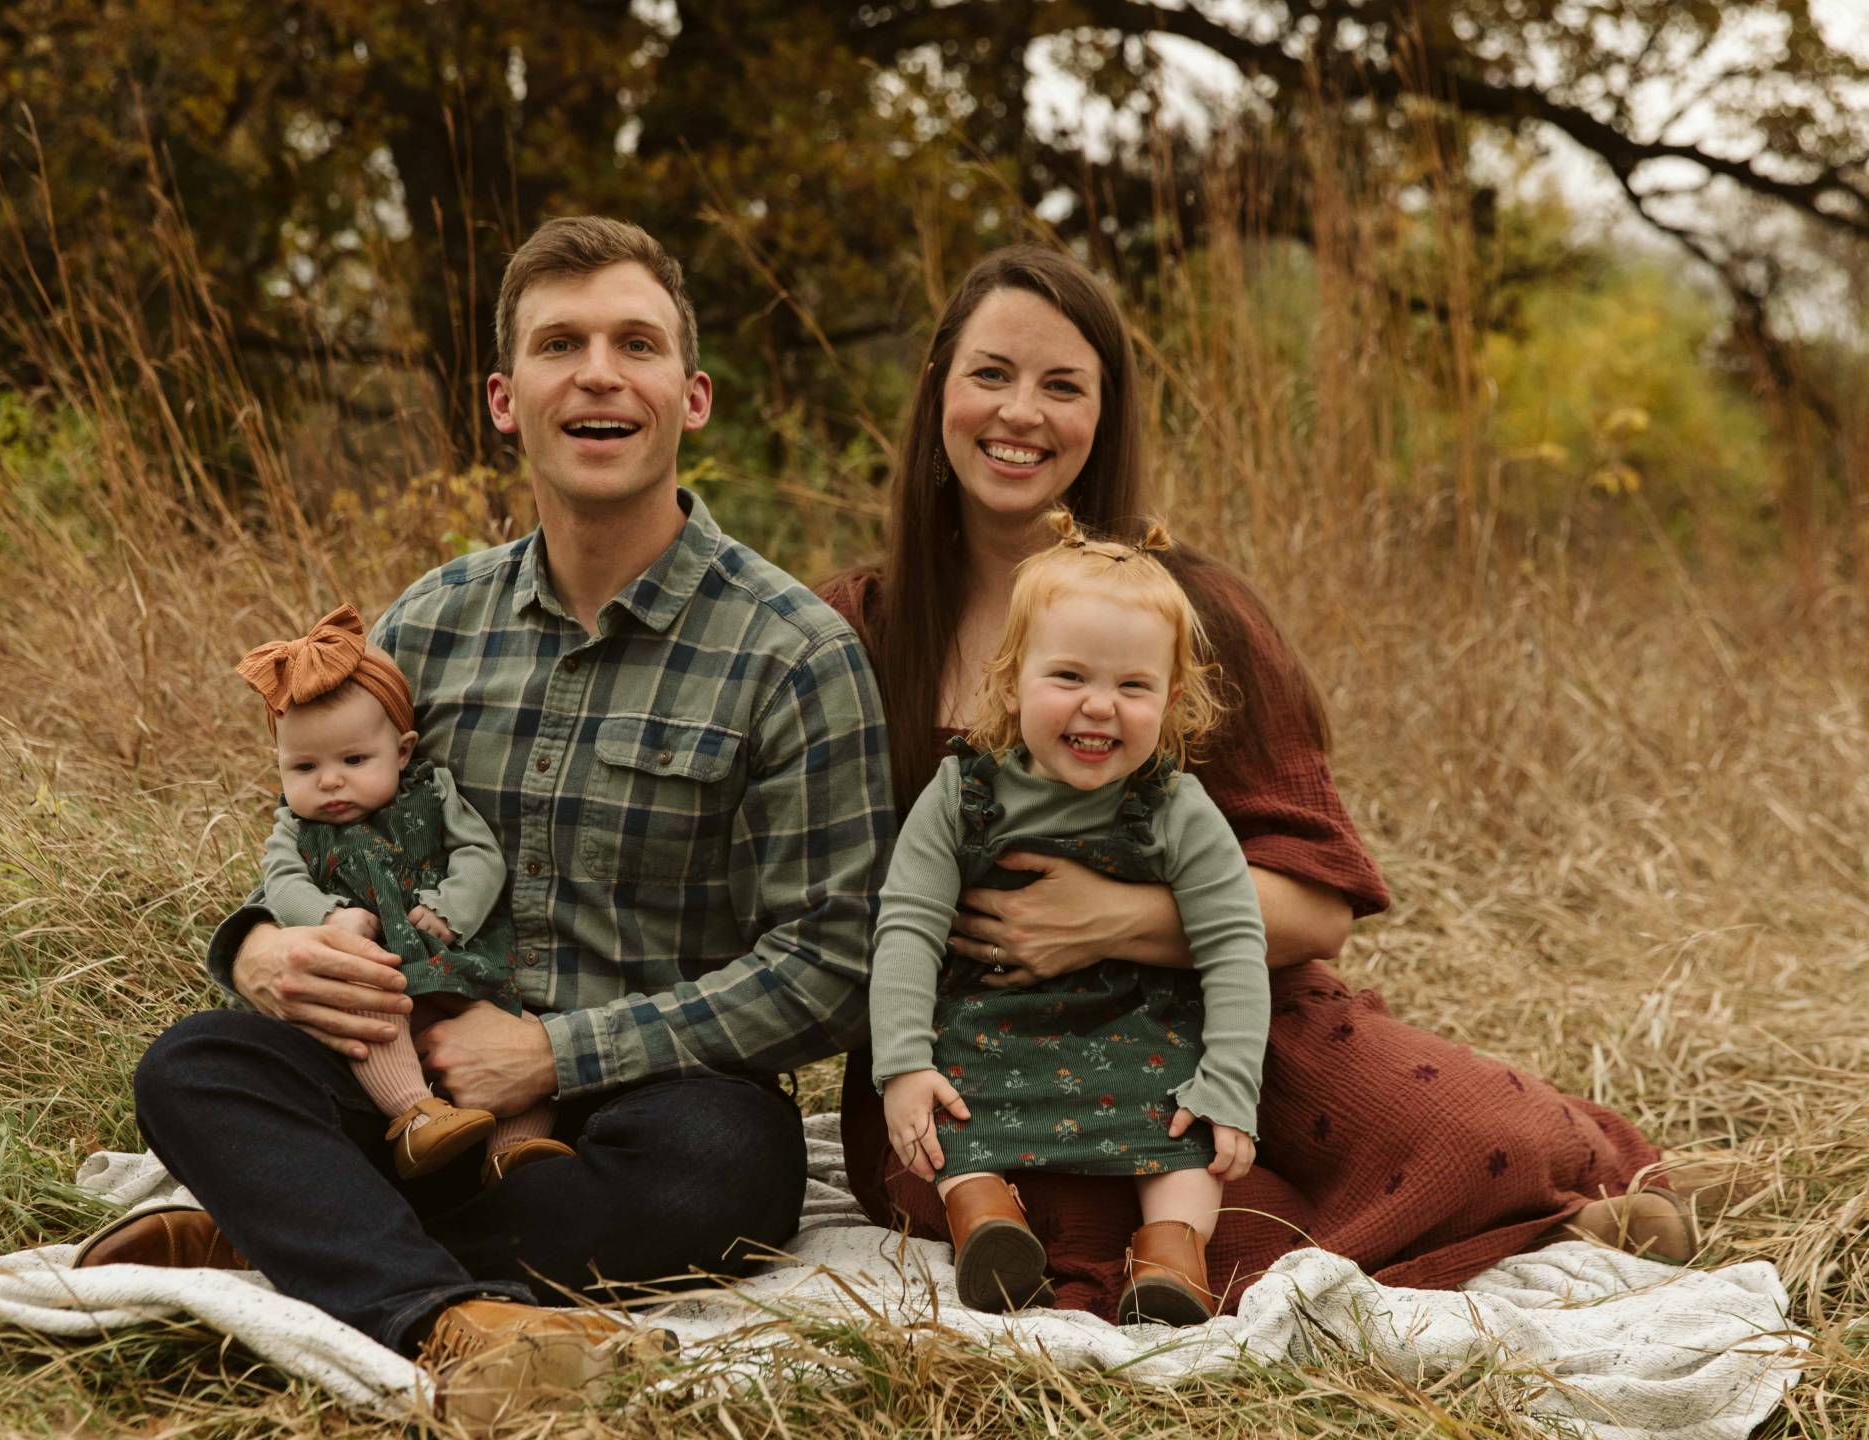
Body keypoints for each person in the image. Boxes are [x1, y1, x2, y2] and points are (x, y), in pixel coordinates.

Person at [78, 216, 894, 1424]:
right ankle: (457, 1324)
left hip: (650, 1100)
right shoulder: (432, 623)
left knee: (726, 1172)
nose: (600, 373)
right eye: (561, 344)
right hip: (418, 1078)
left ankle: (288, 1230)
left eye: (637, 343)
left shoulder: (792, 653)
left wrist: (560, 1055)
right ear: (508, 400)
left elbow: (830, 971)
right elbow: (318, 823)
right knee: (196, 1065)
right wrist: (263, 944)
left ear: (693, 395)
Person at [820, 243, 1692, 1320]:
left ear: (1107, 415)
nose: (1021, 413)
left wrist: (1110, 922)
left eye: (1063, 385)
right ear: (940, 393)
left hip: (1227, 1007)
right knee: (1060, 1226)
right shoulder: (855, 631)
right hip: (981, 1052)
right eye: (991, 374)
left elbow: (1318, 909)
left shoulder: (1191, 616)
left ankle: (1577, 1185)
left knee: (1476, 1140)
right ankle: (1463, 1230)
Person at [872, 510, 1268, 1324]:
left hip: (1139, 1024)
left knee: (1184, 1135)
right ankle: (986, 1223)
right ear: (1011, 679)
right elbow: (907, 922)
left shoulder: (1176, 808)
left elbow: (1234, 944)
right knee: (950, 1121)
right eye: (1070, 678)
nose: (1099, 708)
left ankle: (1171, 1257)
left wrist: (1230, 1082)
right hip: (991, 1022)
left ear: (1172, 700)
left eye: (1132, 687)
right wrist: (903, 1063)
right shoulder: (962, 793)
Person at [235, 603, 565, 1184]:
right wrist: (330, 915)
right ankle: (414, 1115)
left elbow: (479, 855)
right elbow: (282, 884)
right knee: (369, 1012)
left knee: (512, 1022)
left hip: (452, 954)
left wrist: (450, 910)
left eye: (354, 760)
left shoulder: (432, 794)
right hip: (376, 969)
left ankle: (514, 1150)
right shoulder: (295, 827)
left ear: (403, 751)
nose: (330, 780)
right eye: (303, 766)